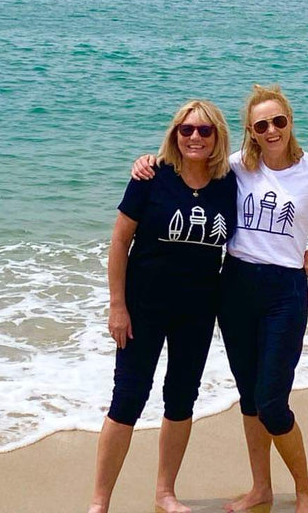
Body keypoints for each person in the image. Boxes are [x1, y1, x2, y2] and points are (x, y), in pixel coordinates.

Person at [132, 84, 308, 513]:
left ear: (289, 123)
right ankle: (261, 489)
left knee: (272, 402)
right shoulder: (234, 167)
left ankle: (304, 490)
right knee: (249, 398)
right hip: (235, 287)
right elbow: (187, 164)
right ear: (250, 132)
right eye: (261, 125)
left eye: (278, 122)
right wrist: (146, 163)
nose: (271, 130)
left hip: (285, 291)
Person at [87, 100, 237, 513]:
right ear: (175, 134)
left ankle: (165, 493)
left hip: (198, 311)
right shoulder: (151, 176)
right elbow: (119, 241)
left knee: (181, 398)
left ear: (217, 137)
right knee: (127, 399)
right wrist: (117, 306)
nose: (194, 137)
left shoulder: (229, 181)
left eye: (205, 131)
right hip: (143, 308)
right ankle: (100, 502)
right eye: (186, 130)